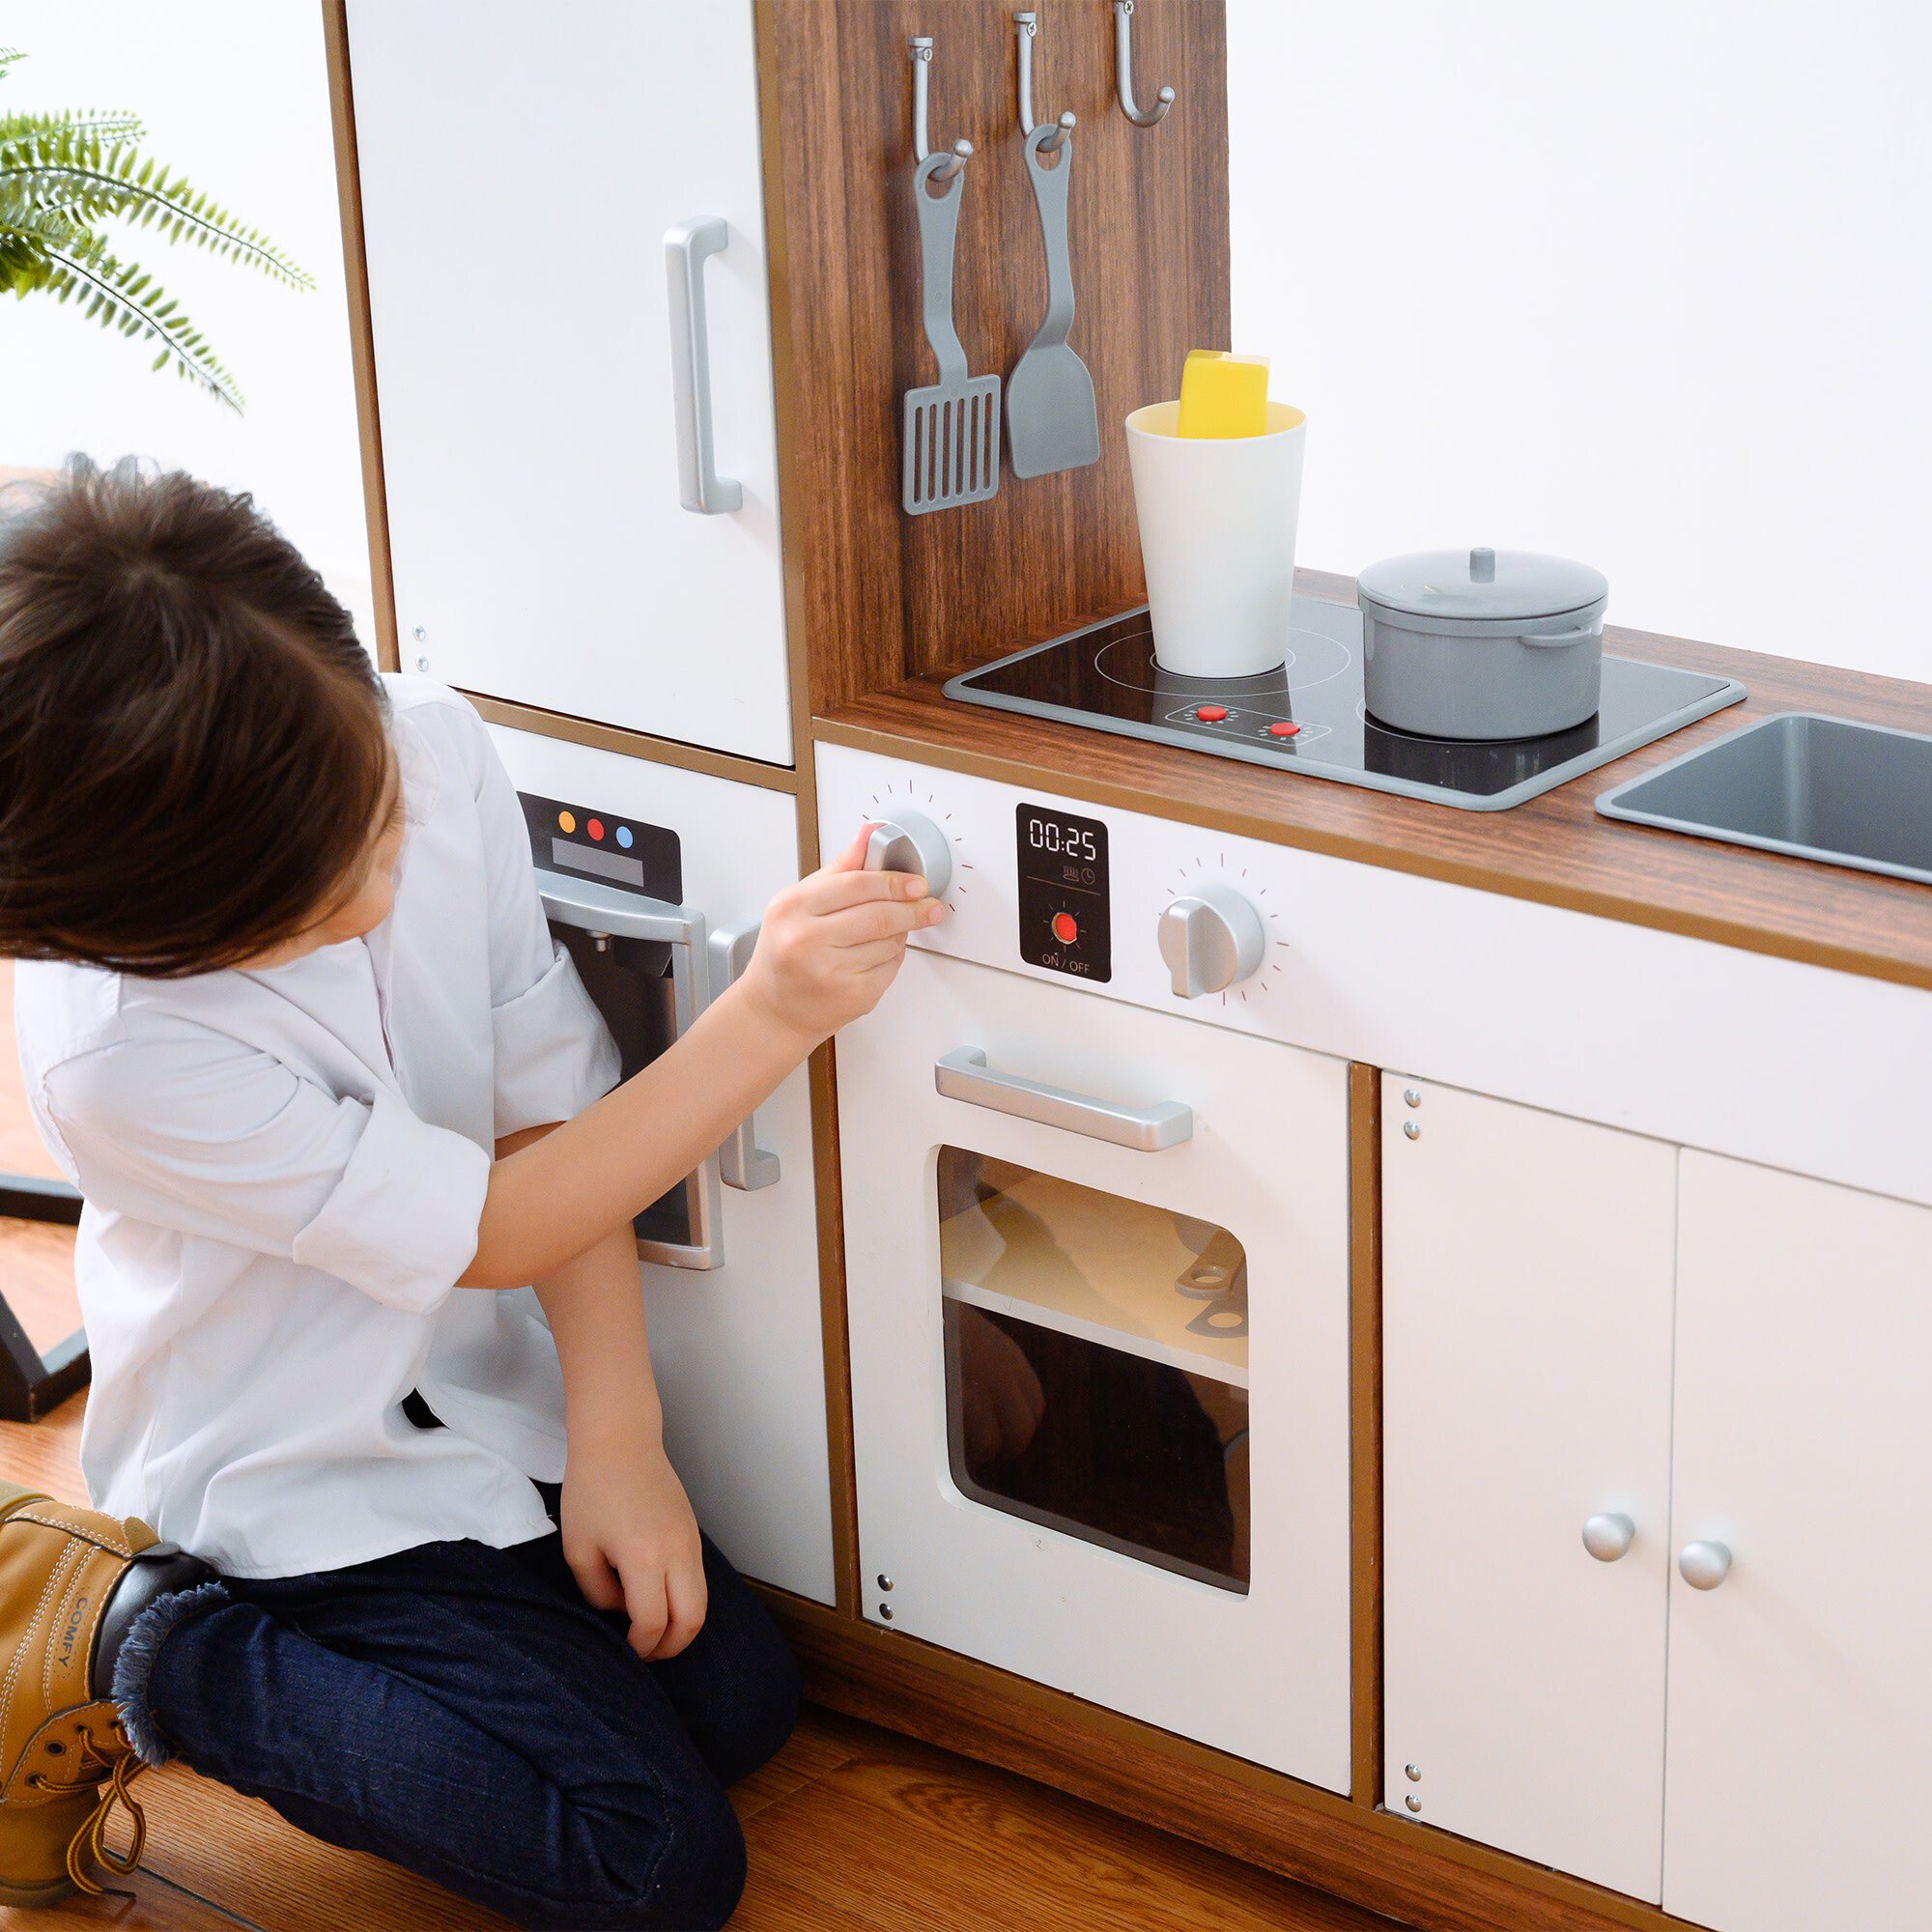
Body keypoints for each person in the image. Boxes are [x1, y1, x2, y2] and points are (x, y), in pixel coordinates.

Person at [0, 458, 941, 1928]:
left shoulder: (424, 740)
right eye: (307, 909)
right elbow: (498, 1230)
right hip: (295, 1486)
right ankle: (129, 1637)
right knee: (651, 1868)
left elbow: (540, 1101)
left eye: (374, 831)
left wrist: (619, 1437)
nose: (376, 895)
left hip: (482, 1403)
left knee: (742, 1702)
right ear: (150, 930)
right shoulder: (123, 1054)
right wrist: (768, 1014)